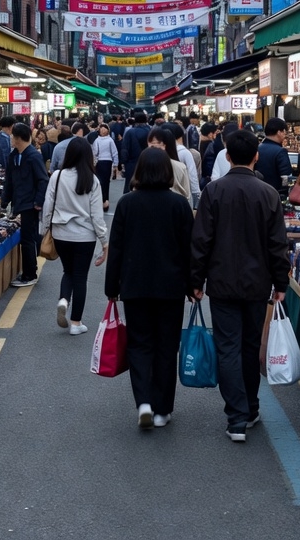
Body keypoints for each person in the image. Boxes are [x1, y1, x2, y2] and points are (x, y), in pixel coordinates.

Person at [191, 130, 289, 442]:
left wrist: (196, 280)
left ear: (228, 156)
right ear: (256, 156)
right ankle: (251, 408)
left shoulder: (213, 191)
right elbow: (278, 245)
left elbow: (201, 241)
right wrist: (281, 282)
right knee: (249, 347)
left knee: (227, 347)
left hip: (221, 283)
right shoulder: (269, 194)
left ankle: (236, 418)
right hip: (257, 284)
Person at [105, 148, 194, 430]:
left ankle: (143, 401)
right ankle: (162, 410)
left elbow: (116, 248)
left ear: (139, 172)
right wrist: (194, 285)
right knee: (167, 347)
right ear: (168, 173)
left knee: (140, 344)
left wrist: (111, 287)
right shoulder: (179, 205)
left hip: (135, 286)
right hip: (171, 287)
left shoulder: (127, 203)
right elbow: (189, 249)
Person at [41, 139, 108, 335]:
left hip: (61, 233)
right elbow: (97, 215)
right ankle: (76, 322)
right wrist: (104, 242)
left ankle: (63, 299)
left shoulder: (58, 176)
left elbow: (48, 205)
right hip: (85, 236)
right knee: (80, 277)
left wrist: (45, 229)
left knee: (68, 271)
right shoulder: (92, 180)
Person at [1, 123, 49, 288]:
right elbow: (9, 181)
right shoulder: (14, 156)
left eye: (12, 137)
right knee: (27, 238)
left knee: (27, 239)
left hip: (30, 204)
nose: (11, 140)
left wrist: (38, 202)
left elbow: (43, 180)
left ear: (18, 138)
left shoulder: (33, 156)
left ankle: (30, 274)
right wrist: (4, 201)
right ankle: (28, 271)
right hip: (19, 202)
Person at [147, 127, 190, 202]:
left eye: (155, 143)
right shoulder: (180, 166)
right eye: (150, 143)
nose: (150, 147)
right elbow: (186, 193)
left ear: (165, 145)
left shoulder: (145, 164)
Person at [255, 117, 293, 195]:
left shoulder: (257, 148)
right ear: (279, 132)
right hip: (274, 194)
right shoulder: (280, 151)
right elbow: (286, 178)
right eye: (284, 132)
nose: (284, 135)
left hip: (257, 192)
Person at [167, 122, 200, 207]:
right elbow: (192, 174)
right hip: (183, 193)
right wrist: (196, 193)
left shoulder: (161, 151)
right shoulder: (185, 152)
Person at [91, 122, 120, 210]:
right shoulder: (109, 140)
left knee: (101, 182)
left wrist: (115, 164)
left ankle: (103, 200)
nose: (103, 130)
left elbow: (94, 152)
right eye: (102, 129)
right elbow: (114, 153)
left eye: (104, 129)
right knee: (105, 182)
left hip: (101, 162)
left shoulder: (99, 140)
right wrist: (115, 164)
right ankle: (105, 200)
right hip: (106, 162)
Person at [120, 112, 151, 193]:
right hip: (148, 162)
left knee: (131, 186)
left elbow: (125, 149)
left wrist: (123, 162)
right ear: (146, 119)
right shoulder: (151, 131)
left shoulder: (130, 132)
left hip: (132, 163)